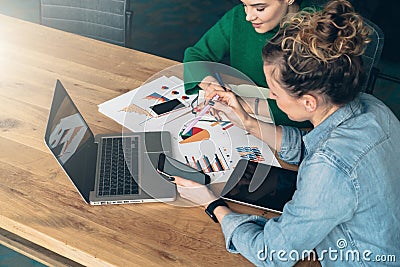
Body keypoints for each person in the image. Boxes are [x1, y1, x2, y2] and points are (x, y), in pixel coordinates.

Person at [175, 0, 400, 266]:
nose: (269, 96)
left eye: (275, 92)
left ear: (308, 102)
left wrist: (211, 204)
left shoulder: (328, 169)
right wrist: (248, 123)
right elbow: (312, 147)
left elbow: (272, 253)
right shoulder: (375, 109)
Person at [183, 0, 319, 128]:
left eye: (260, 8)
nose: (248, 16)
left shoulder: (320, 30)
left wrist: (244, 104)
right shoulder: (238, 17)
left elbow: (314, 110)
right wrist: (210, 85)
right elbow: (196, 55)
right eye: (244, 5)